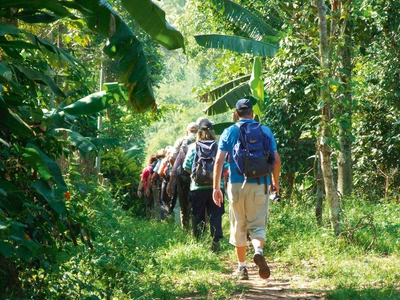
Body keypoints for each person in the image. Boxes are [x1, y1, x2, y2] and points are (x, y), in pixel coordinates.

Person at [212, 98, 281, 280]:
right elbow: (276, 159)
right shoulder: (264, 130)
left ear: (236, 114)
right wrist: (275, 182)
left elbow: (219, 160)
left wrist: (216, 188)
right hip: (261, 183)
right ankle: (258, 250)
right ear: (252, 113)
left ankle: (242, 269)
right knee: (258, 225)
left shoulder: (229, 131)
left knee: (239, 224)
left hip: (236, 184)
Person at [183, 120, 227, 252]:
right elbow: (225, 166)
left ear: (199, 133)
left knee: (198, 214)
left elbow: (186, 166)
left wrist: (197, 176)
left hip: (197, 188)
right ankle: (215, 241)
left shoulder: (193, 147)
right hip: (216, 187)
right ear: (213, 132)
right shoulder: (219, 146)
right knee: (216, 214)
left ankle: (199, 241)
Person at [167, 122, 199, 230]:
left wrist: (172, 181)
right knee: (197, 204)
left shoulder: (181, 142)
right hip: (200, 177)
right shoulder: (203, 140)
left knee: (184, 205)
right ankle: (198, 229)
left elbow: (172, 159)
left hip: (183, 177)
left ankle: (185, 230)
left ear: (187, 131)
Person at [137, 155, 158, 219]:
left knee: (148, 205)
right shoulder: (157, 167)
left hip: (147, 188)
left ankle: (149, 218)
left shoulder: (146, 169)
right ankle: (156, 218)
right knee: (156, 203)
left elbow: (142, 181)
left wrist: (139, 190)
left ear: (150, 161)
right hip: (156, 187)